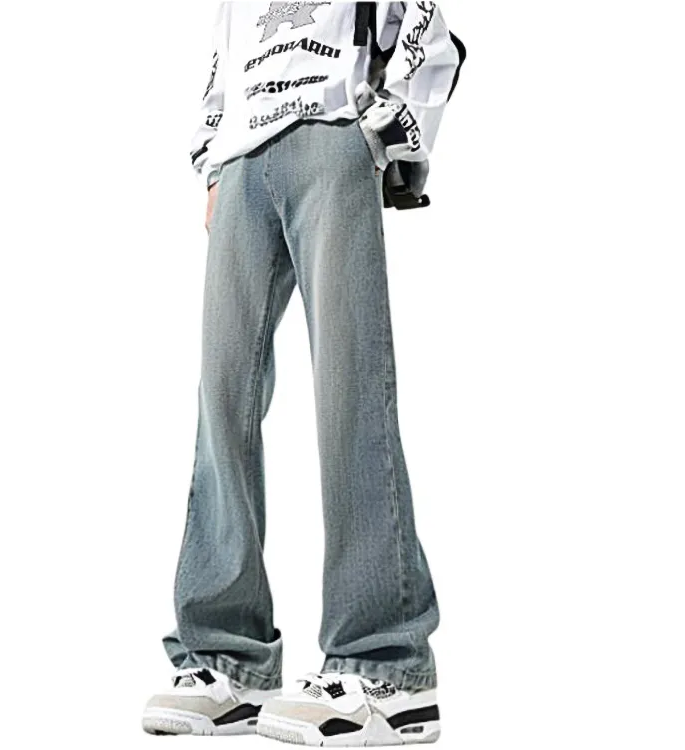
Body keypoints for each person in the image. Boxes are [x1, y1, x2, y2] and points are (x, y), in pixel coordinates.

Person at [142, 2, 462, 745]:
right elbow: (226, 57)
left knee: (350, 394)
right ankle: (228, 659)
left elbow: (423, 26)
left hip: (331, 135)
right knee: (222, 404)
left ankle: (385, 664)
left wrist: (385, 131)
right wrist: (214, 159)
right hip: (243, 163)